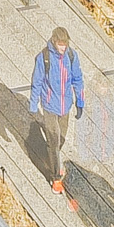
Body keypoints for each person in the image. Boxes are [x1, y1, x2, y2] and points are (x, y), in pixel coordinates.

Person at [29, 28, 85, 182]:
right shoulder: (44, 58)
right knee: (53, 141)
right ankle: (56, 177)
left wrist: (80, 101)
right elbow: (37, 81)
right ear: (54, 41)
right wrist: (33, 104)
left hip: (65, 105)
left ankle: (52, 157)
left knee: (61, 138)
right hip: (49, 106)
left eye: (65, 44)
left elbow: (78, 79)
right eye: (60, 44)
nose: (63, 48)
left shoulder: (72, 56)